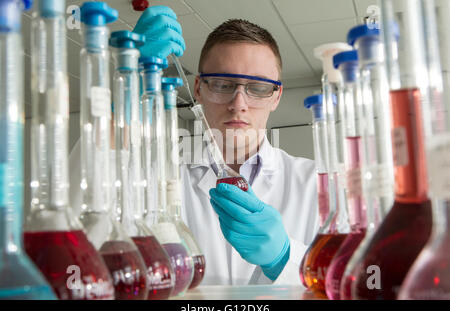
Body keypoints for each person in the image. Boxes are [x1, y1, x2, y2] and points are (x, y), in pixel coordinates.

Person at [69, 5, 319, 286]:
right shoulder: (152, 174)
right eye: (223, 84)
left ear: (276, 96)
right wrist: (127, 86)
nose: (239, 103)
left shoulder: (316, 183)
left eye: (258, 87)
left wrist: (285, 258)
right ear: (198, 88)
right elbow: (76, 221)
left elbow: (347, 283)